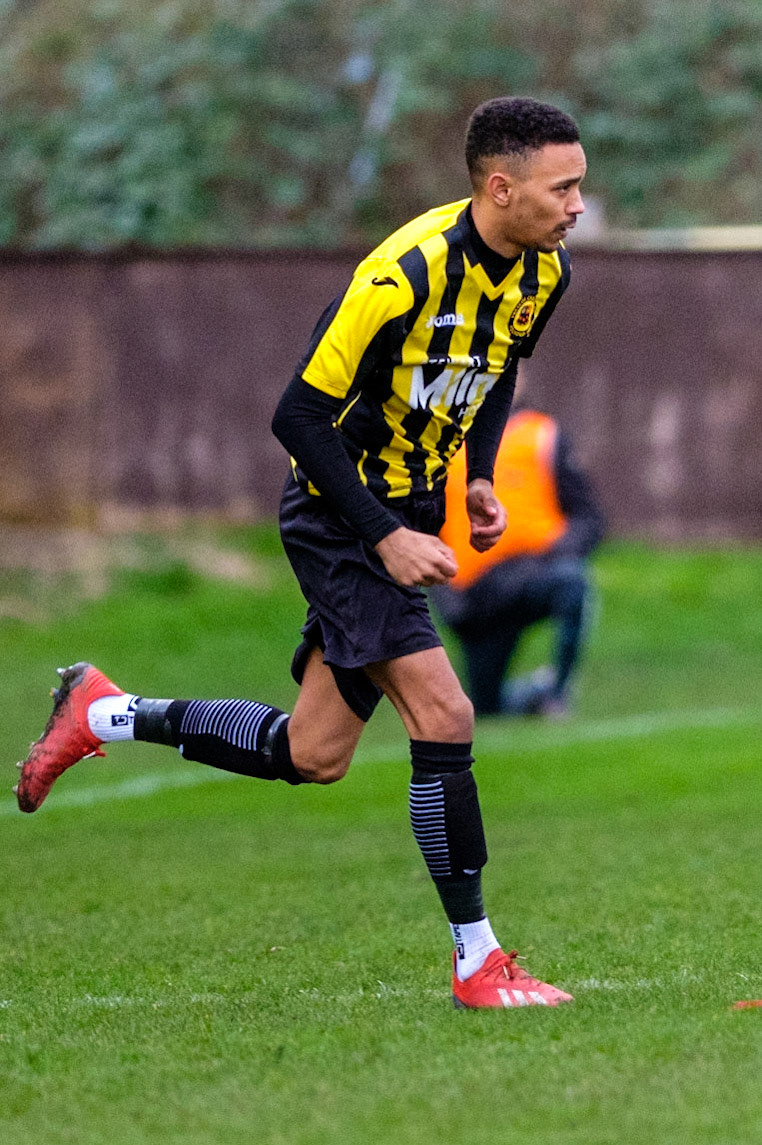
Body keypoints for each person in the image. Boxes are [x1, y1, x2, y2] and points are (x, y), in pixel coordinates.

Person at [14, 96, 586, 1010]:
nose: (577, 205)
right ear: (500, 186)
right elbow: (297, 416)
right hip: (339, 514)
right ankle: (478, 960)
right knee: (446, 713)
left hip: (405, 513)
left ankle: (104, 712)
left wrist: (476, 477)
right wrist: (386, 535)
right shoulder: (399, 277)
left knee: (313, 751)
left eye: (579, 186)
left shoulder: (541, 274)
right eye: (563, 188)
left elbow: (499, 363)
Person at [433, 394, 605, 717]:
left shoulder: (542, 436)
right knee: (483, 708)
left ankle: (558, 693)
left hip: (534, 575)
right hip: (477, 593)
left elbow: (589, 519)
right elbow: (423, 532)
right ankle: (536, 693)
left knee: (573, 584)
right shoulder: (441, 439)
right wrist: (445, 595)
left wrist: (555, 553)